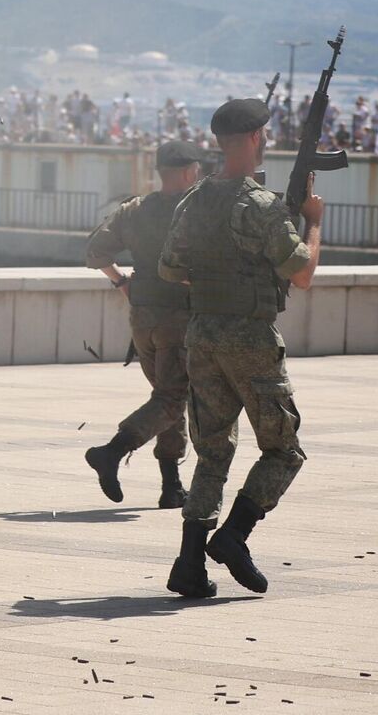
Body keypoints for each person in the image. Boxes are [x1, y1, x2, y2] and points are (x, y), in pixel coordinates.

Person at [159, 98, 320, 600]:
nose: (268, 139)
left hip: (201, 334)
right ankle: (233, 536)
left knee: (211, 451)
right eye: (265, 133)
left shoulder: (195, 198)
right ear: (253, 139)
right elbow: (303, 274)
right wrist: (313, 221)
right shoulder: (262, 205)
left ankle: (189, 564)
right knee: (284, 449)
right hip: (249, 338)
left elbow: (169, 268)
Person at [81, 139, 206, 509]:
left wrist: (121, 282)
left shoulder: (135, 209)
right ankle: (112, 451)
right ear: (187, 172)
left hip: (142, 318)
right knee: (171, 398)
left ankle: (171, 487)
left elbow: (95, 252)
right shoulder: (196, 212)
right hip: (179, 319)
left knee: (167, 397)